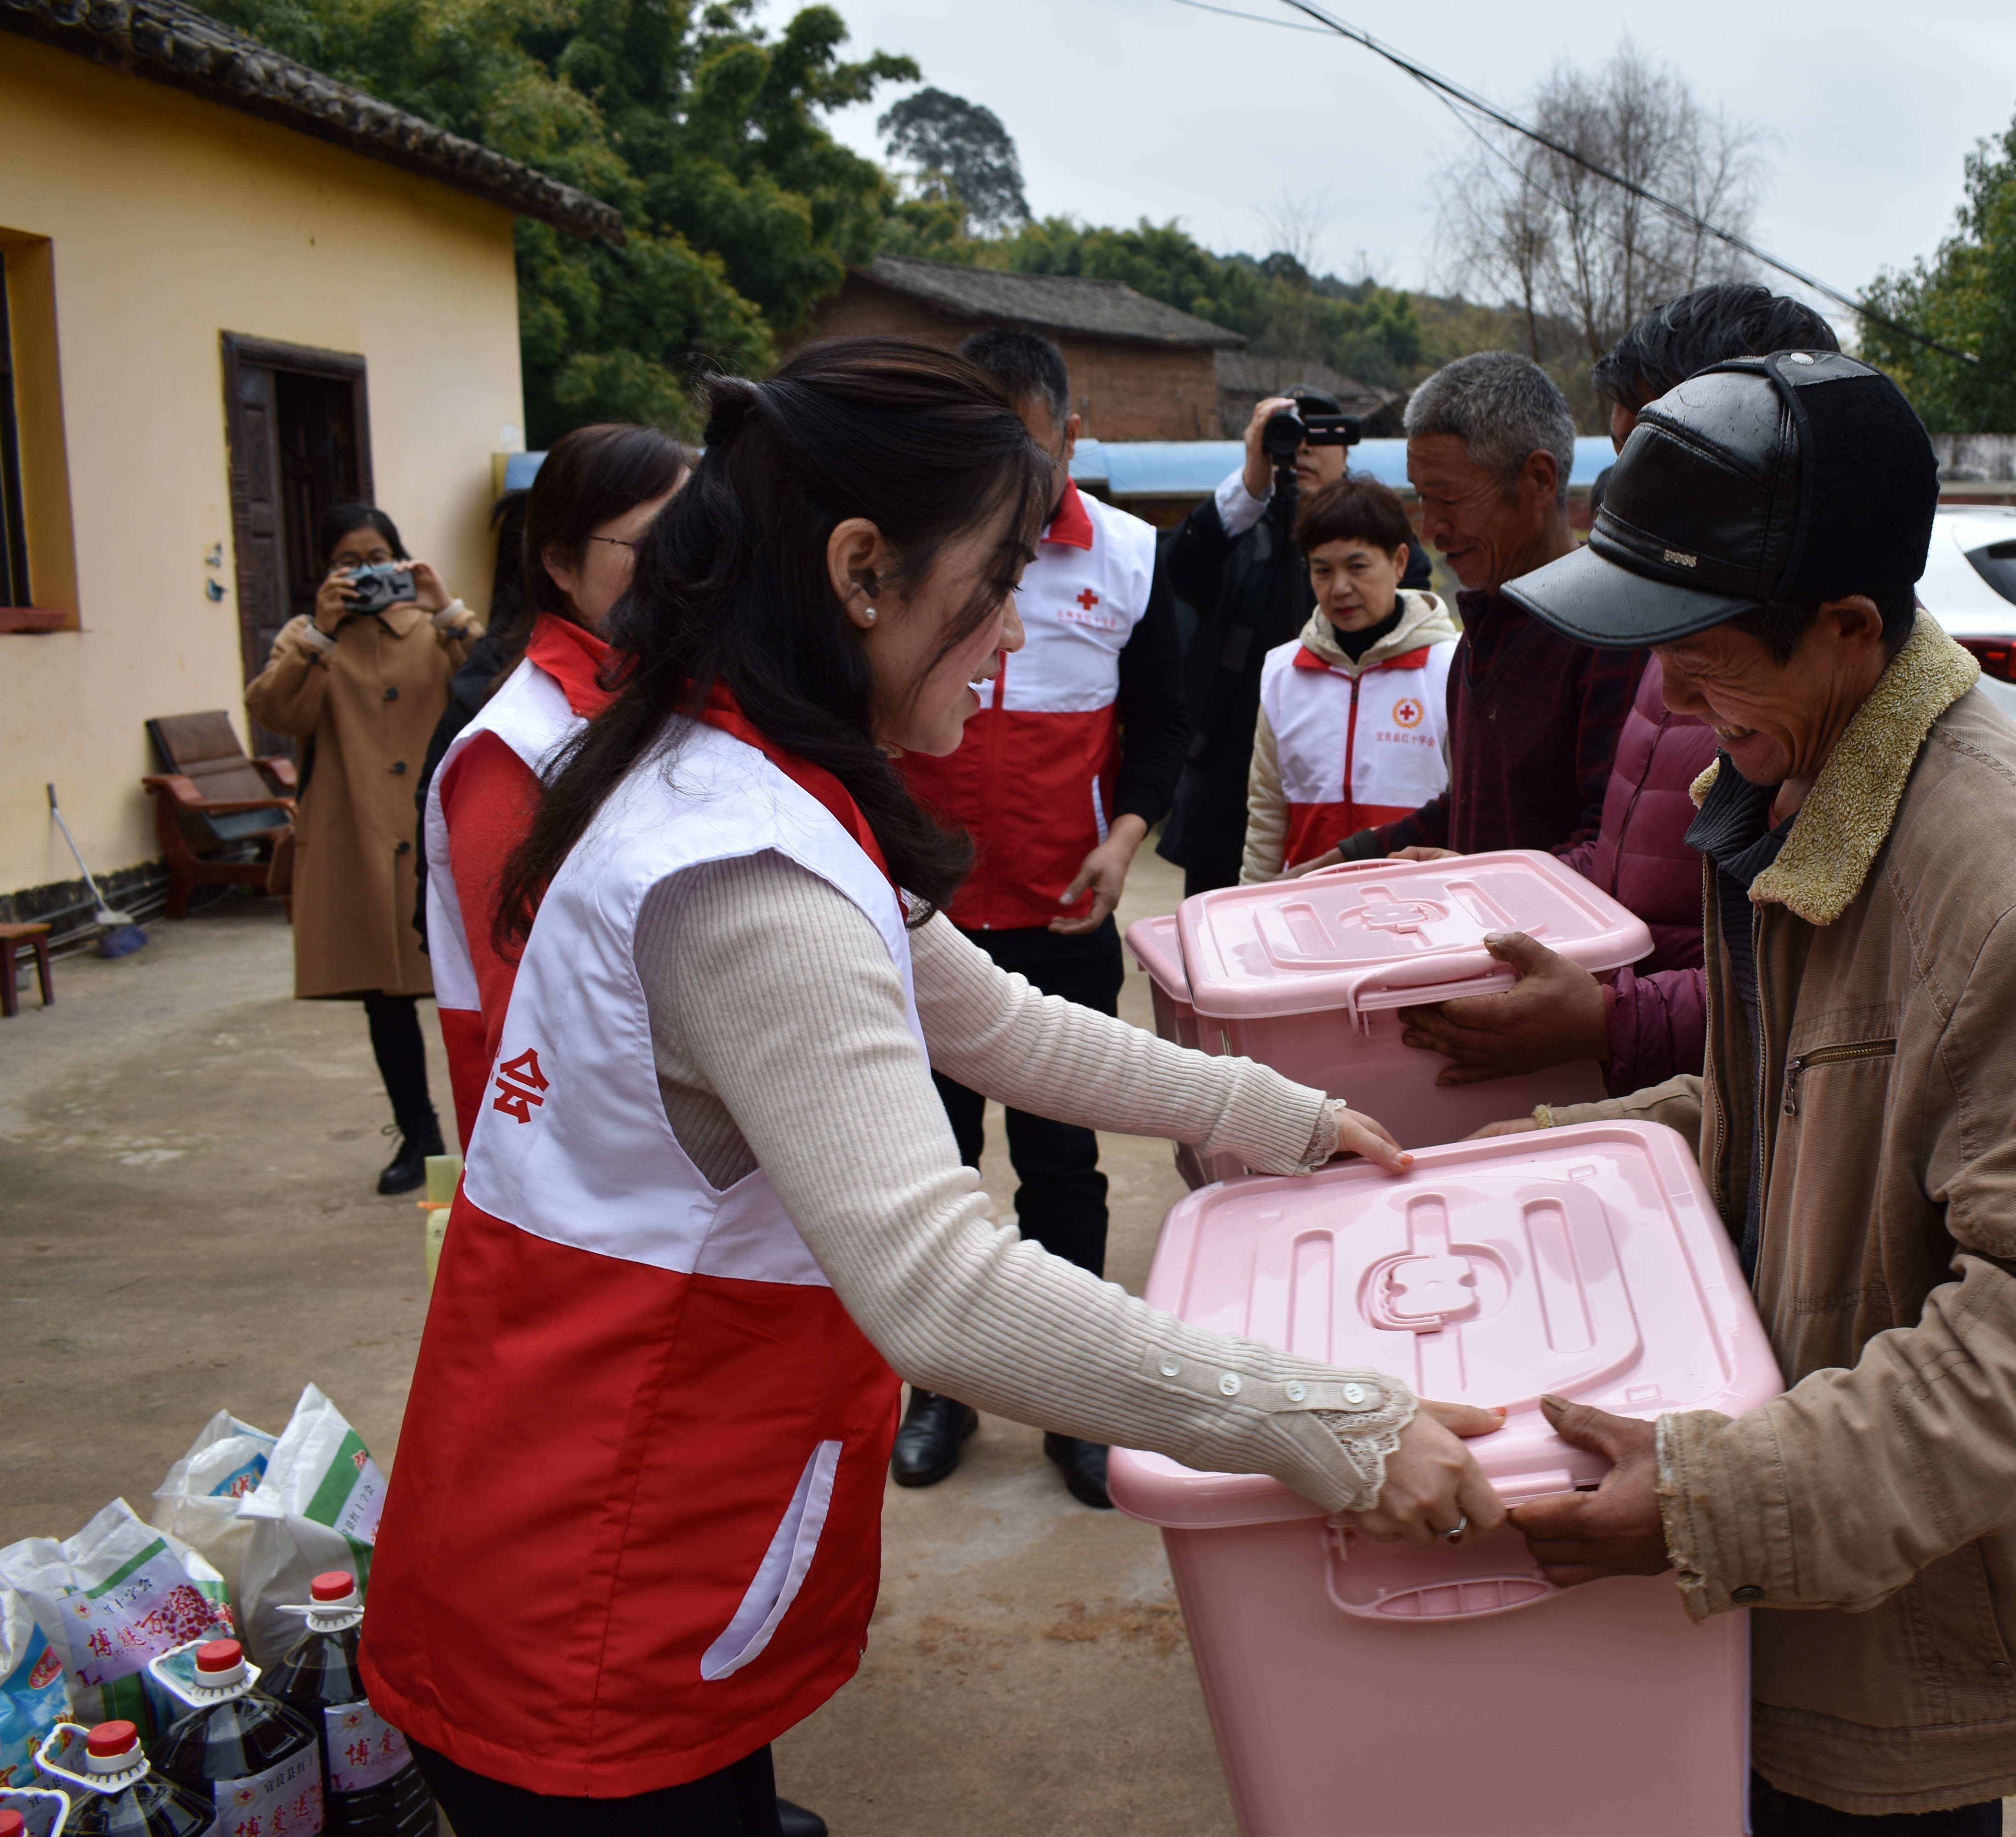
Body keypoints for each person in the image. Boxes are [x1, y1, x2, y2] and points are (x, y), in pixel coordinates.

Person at [364, 338, 1506, 1836]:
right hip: (594, 1576)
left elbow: (1004, 1025)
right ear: (858, 572)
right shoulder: (743, 878)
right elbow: (938, 1288)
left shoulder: (744, 777)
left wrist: (1272, 1114)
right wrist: (1335, 1426)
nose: (1012, 634)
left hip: (591, 1511)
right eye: (992, 582)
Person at [1488, 352, 2016, 1832]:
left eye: (1694, 648)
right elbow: (1794, 1120)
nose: (1664, 692)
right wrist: (1542, 1164)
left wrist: (1720, 1501)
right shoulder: (1793, 789)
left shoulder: (1998, 890)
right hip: (1812, 1556)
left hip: (1909, 1611)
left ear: (1844, 630)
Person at [1399, 286, 1838, 1099]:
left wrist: (1611, 1021)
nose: (1625, 498)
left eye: (1656, 461)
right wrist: (1485, 885)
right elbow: (1615, 860)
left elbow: (1812, 1001)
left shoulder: (1834, 720)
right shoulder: (1669, 659)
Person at [890, 327, 1191, 1507]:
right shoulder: (909, 552)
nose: (1001, 460)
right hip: (925, 921)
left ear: (1069, 434)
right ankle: (940, 1390)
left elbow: (1165, 726)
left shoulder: (1128, 557)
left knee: (1064, 1165)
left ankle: (1078, 1399)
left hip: (1064, 920)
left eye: (1022, 434)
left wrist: (1124, 844)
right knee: (935, 1167)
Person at [422, 423, 695, 1146]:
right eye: (646, 543)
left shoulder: (695, 702)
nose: (682, 565)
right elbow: (527, 1005)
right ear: (561, 564)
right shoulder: (515, 748)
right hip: (596, 1158)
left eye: (698, 536)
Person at [1290, 351, 1644, 875]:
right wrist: (1350, 858)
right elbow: (1472, 807)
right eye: (1421, 498)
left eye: (1450, 499)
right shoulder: (1482, 631)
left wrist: (1474, 883)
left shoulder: (1610, 629)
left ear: (1539, 481)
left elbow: (1615, 847)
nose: (1431, 527)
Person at [246, 503, 484, 1194]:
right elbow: (277, 713)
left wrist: (448, 611)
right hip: (357, 841)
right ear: (324, 573)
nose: (364, 571)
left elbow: (501, 687)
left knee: (479, 991)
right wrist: (320, 633)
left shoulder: (435, 632)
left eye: (377, 556)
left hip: (442, 837)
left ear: (403, 560)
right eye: (347, 562)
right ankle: (421, 1136)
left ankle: (501, 1138)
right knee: (388, 1001)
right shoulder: (306, 638)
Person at [1161, 389, 1433, 893]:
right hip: (1232, 781)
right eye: (1290, 435)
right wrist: (1251, 482)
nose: (1304, 448)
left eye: (1321, 435)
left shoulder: (1388, 544)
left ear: (1348, 447)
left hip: (1365, 798)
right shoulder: (1238, 529)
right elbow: (1179, 568)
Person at [1238, 474, 1460, 882]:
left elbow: (1468, 811)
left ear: (1399, 562)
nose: (1339, 588)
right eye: (1322, 571)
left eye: (1357, 567)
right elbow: (1268, 816)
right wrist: (1251, 902)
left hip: (1421, 911)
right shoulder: (1283, 672)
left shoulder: (1453, 667)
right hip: (1307, 911)